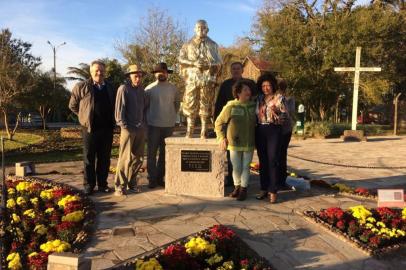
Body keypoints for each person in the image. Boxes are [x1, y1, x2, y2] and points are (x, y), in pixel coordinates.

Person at [69, 60, 116, 195]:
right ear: (91, 71)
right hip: (90, 129)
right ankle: (89, 185)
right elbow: (72, 105)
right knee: (89, 158)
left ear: (105, 72)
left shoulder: (110, 87)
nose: (99, 73)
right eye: (96, 70)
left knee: (104, 158)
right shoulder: (82, 86)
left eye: (101, 70)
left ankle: (102, 184)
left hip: (107, 129)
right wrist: (83, 117)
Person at [214, 61, 256, 186]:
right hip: (230, 121)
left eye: (238, 68)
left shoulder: (249, 84)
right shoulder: (225, 84)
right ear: (231, 71)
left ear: (242, 70)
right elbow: (219, 103)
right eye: (233, 69)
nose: (236, 70)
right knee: (232, 156)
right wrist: (218, 126)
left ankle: (242, 184)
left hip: (246, 122)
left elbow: (256, 99)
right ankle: (233, 181)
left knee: (246, 159)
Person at [179, 19, 222, 138]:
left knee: (206, 103)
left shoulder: (213, 45)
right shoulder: (187, 44)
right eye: (198, 28)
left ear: (207, 30)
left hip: (207, 79)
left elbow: (219, 62)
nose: (201, 30)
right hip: (192, 78)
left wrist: (208, 65)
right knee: (190, 102)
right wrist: (193, 63)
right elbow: (181, 59)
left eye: (203, 28)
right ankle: (190, 130)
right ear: (194, 29)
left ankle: (204, 130)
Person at [145, 63, 180, 188]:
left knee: (164, 154)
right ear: (155, 74)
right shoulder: (149, 89)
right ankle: (152, 179)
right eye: (158, 72)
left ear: (167, 73)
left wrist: (172, 117)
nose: (161, 74)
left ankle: (160, 178)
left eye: (163, 71)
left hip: (168, 126)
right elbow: (145, 107)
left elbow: (177, 104)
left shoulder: (173, 88)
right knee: (151, 154)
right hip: (153, 125)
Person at [114, 64, 146, 196]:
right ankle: (120, 186)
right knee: (125, 158)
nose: (138, 78)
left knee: (138, 158)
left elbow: (144, 109)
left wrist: (144, 125)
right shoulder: (123, 89)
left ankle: (132, 183)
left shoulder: (142, 91)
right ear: (129, 76)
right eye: (135, 76)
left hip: (141, 128)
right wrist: (124, 126)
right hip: (128, 128)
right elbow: (119, 110)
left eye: (140, 76)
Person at [255, 73, 287, 203]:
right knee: (262, 161)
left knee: (273, 159)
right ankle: (264, 188)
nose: (266, 88)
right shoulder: (259, 99)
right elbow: (255, 114)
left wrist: (278, 113)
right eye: (263, 85)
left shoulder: (279, 98)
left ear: (273, 86)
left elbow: (285, 117)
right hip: (260, 130)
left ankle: (273, 190)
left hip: (274, 130)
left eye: (268, 85)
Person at [278, 79, 295, 190]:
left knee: (281, 155)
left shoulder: (288, 99)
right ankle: (278, 181)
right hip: (278, 130)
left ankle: (281, 181)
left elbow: (289, 113)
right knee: (278, 156)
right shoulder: (271, 98)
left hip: (284, 130)